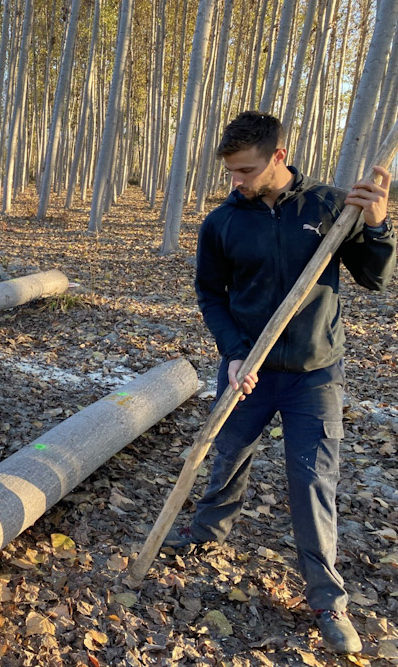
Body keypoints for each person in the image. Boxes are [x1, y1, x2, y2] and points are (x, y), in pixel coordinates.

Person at [168, 111, 394, 654]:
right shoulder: (223, 222)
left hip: (315, 373)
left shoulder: (331, 206)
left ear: (278, 156)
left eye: (246, 170)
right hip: (249, 367)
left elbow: (375, 278)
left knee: (313, 480)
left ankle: (328, 600)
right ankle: (206, 533)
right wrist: (233, 353)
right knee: (227, 454)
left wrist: (377, 225)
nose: (237, 181)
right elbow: (210, 295)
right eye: (231, 171)